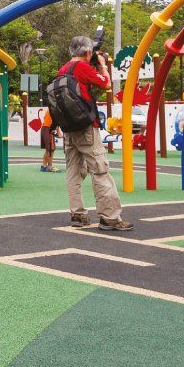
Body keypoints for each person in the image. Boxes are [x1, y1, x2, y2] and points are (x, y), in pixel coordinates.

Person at [53, 36, 133, 231]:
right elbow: (106, 83)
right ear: (88, 52)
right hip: (86, 128)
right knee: (99, 170)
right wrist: (103, 65)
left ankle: (77, 214)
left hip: (69, 128)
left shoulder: (63, 69)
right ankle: (110, 217)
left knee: (73, 171)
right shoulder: (82, 68)